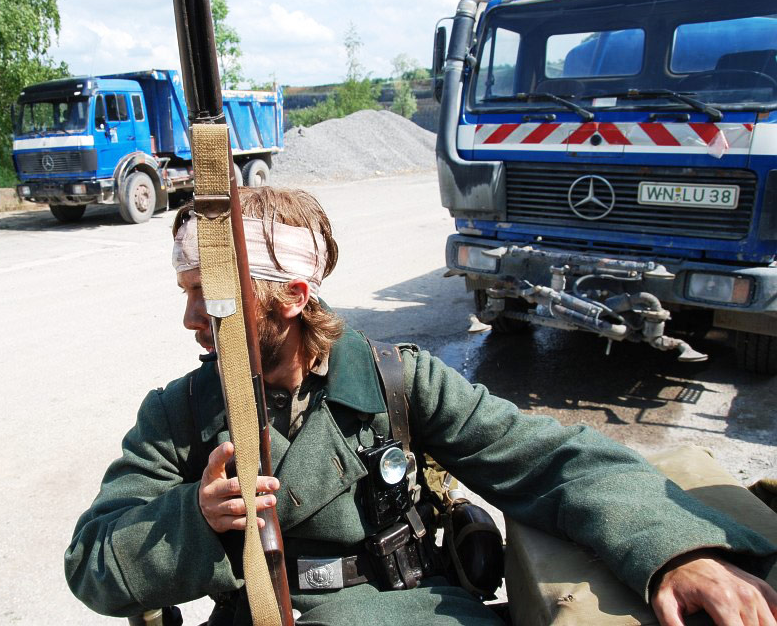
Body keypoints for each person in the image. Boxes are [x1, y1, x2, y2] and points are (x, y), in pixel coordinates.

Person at [65, 186, 777, 626]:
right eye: (187, 292)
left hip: (407, 610)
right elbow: (92, 562)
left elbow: (553, 461)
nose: (191, 318)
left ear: (293, 297)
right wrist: (194, 517)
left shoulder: (396, 383)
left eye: (212, 295)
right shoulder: (181, 412)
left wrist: (677, 551)